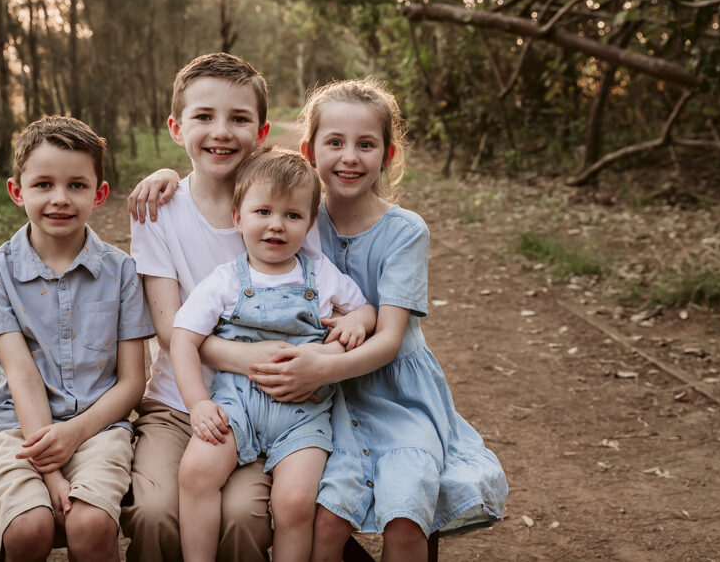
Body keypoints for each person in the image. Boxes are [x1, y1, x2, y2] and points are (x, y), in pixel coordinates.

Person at [130, 79, 508, 561]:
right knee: (313, 512)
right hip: (281, 395)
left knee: (365, 507)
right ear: (310, 151)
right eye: (335, 143)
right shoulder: (289, 215)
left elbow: (378, 327)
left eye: (365, 145)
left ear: (387, 155)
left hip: (360, 389)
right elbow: (179, 329)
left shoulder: (340, 223)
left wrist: (326, 357)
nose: (349, 157)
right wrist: (168, 172)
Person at [121, 53, 371, 562]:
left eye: (238, 119)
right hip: (178, 402)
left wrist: (350, 324)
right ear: (176, 127)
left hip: (277, 404)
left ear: (260, 131)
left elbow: (332, 290)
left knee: (243, 518)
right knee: (154, 513)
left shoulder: (285, 201)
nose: (221, 131)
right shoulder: (158, 209)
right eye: (204, 117)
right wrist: (263, 359)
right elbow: (171, 330)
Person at [170, 149, 375, 562]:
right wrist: (198, 404)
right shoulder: (226, 280)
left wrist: (359, 321)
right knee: (196, 472)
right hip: (236, 405)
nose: (276, 226)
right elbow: (182, 338)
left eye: (292, 216)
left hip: (304, 414)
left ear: (309, 223)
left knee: (296, 502)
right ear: (238, 217)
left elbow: (365, 309)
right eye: (263, 211)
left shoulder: (321, 274)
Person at [0, 116, 153, 562]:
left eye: (76, 185)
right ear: (18, 191)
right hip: (15, 425)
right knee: (29, 528)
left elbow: (131, 383)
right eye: (44, 185)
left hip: (99, 424)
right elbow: (23, 378)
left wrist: (74, 434)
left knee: (89, 523)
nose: (60, 199)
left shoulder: (121, 271)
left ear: (99, 194)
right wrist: (50, 473)